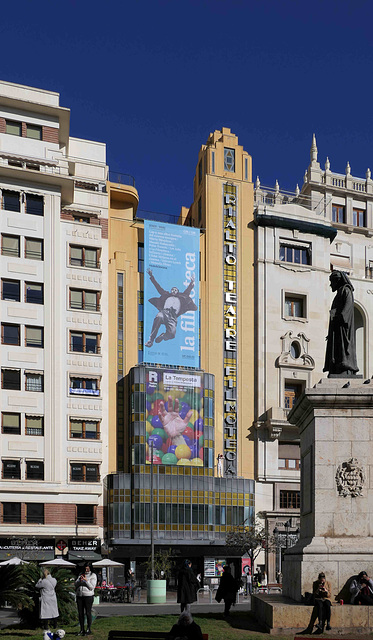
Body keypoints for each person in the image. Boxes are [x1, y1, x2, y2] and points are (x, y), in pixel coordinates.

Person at [145, 269, 197, 347]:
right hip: (164, 312)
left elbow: (188, 291)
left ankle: (163, 336)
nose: (173, 290)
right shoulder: (166, 295)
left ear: (178, 292)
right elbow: (158, 287)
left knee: (172, 334)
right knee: (158, 317)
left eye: (175, 290)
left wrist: (192, 282)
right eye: (172, 289)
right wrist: (151, 276)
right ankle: (151, 340)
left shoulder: (182, 297)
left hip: (173, 316)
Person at [323, 270, 358, 376]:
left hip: (343, 328)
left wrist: (340, 318)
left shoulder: (346, 290)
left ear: (337, 280)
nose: (330, 285)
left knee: (343, 349)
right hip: (337, 328)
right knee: (337, 351)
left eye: (332, 281)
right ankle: (337, 367)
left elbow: (347, 308)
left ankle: (345, 367)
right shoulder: (340, 292)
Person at [75, 563, 97, 636]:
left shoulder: (93, 575)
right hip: (79, 595)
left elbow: (92, 587)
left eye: (87, 568)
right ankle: (81, 629)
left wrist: (86, 581)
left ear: (90, 568)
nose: (86, 570)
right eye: (85, 568)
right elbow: (75, 584)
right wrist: (79, 581)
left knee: (88, 612)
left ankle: (88, 629)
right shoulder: (81, 574)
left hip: (88, 596)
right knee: (80, 613)